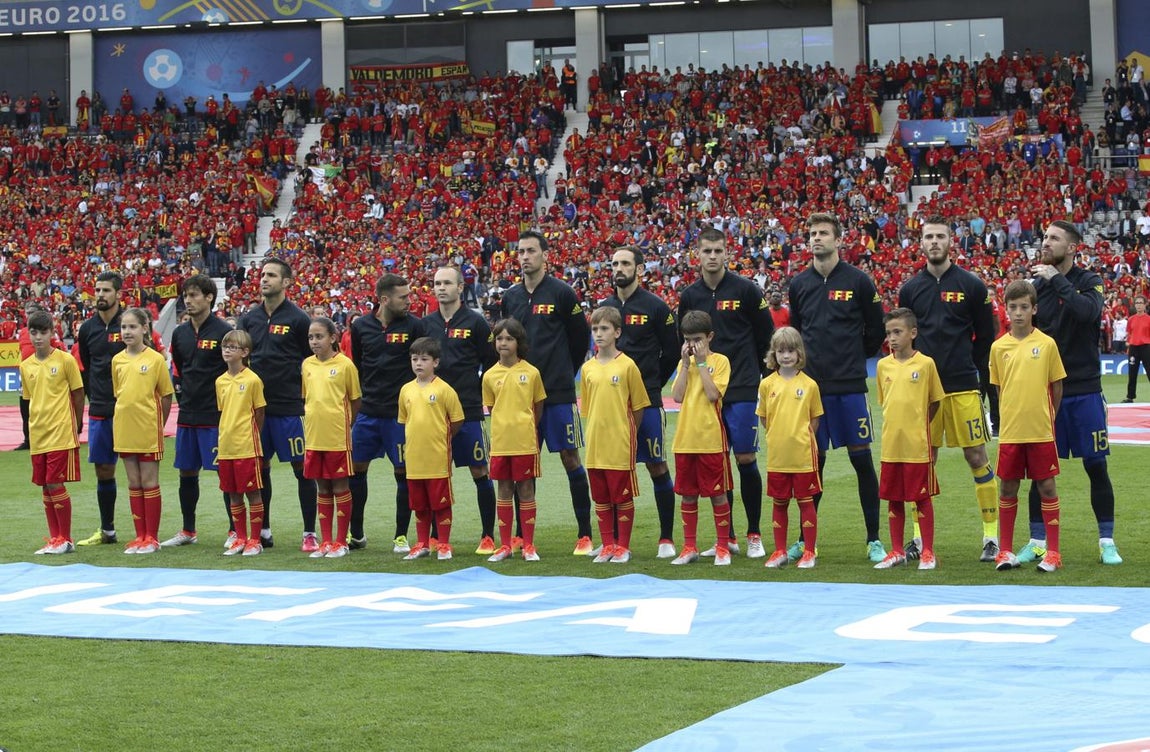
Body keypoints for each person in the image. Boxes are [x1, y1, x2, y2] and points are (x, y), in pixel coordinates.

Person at [897, 218, 1000, 562]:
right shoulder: (911, 289)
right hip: (923, 390)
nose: (935, 241)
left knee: (976, 456)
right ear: (921, 243)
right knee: (924, 461)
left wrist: (976, 375)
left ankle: (991, 537)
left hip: (962, 386)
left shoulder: (972, 285)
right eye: (929, 237)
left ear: (951, 241)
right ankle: (917, 539)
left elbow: (986, 338)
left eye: (941, 236)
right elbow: (903, 337)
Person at [788, 212, 886, 563]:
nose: (817, 238)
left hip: (850, 388)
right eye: (812, 233)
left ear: (838, 239)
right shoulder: (799, 284)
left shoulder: (859, 281)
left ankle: (874, 539)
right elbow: (797, 332)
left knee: (861, 462)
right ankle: (804, 540)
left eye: (824, 233)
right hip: (813, 389)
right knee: (815, 465)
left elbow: (875, 330)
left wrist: (852, 359)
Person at [1026, 221, 1122, 565]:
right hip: (1046, 392)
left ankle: (1106, 540)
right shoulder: (1036, 287)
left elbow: (1087, 312)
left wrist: (1056, 279)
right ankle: (1037, 541)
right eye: (1044, 237)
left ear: (1072, 247)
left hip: (1084, 390)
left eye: (1053, 238)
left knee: (1096, 465)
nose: (1045, 242)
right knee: (1039, 470)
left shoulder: (1089, 282)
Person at [677, 227, 773, 558]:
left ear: (727, 253)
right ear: (698, 255)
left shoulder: (746, 290)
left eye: (718, 250)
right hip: (706, 390)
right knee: (718, 461)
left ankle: (754, 533)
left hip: (743, 386)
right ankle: (727, 536)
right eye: (707, 251)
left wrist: (763, 380)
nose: (713, 256)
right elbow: (687, 340)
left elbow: (766, 337)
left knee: (745, 458)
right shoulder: (690, 295)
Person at [500, 230, 593, 554]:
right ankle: (520, 537)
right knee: (522, 463)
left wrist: (563, 371)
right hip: (520, 395)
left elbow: (580, 339)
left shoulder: (563, 293)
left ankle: (585, 534)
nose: (524, 256)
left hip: (557, 392)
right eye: (521, 251)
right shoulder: (510, 296)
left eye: (530, 251)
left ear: (544, 255)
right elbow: (505, 340)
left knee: (570, 457)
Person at [600, 246, 680, 558]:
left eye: (625, 263)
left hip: (646, 403)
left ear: (640, 269)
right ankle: (615, 542)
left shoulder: (656, 307)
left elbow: (671, 352)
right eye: (614, 263)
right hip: (613, 405)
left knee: (657, 466)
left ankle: (666, 538)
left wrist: (650, 385)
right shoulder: (605, 307)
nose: (618, 268)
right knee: (614, 470)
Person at [239, 258, 316, 552]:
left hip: (289, 408)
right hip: (257, 408)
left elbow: (308, 361)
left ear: (286, 282)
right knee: (260, 468)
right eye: (262, 274)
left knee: (302, 469)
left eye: (271, 275)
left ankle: (309, 532)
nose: (264, 279)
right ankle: (264, 530)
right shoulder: (249, 319)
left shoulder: (298, 319)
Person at [990, 280, 1066, 573]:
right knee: (1008, 486)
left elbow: (1056, 386)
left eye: (1024, 307)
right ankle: (1005, 551)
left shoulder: (1046, 344)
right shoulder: (998, 348)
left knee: (1046, 486)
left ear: (1034, 309)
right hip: (1011, 431)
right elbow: (999, 390)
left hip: (1040, 430)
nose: (1018, 312)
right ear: (1006, 310)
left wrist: (1049, 418)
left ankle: (1054, 553)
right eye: (1013, 307)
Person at [349, 273, 427, 553]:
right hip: (368, 413)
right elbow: (358, 363)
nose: (408, 300)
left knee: (403, 473)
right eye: (402, 296)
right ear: (384, 299)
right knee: (356, 471)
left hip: (400, 416)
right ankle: (356, 533)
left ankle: (400, 536)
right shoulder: (360, 327)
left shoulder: (415, 326)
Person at [424, 266, 498, 555]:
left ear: (459, 288)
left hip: (468, 410)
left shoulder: (476, 323)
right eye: (436, 283)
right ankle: (434, 536)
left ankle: (488, 535)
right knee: (434, 474)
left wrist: (474, 387)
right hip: (432, 412)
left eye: (447, 283)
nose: (441, 288)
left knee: (479, 470)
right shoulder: (426, 324)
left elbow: (490, 362)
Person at [164, 274, 232, 548]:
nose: (188, 301)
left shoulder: (223, 331)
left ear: (209, 298)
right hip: (187, 414)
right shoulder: (180, 333)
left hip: (215, 416)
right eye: (186, 296)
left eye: (194, 295)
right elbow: (179, 368)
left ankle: (234, 530)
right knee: (186, 472)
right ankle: (188, 530)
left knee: (224, 473)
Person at [873, 309, 944, 571]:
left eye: (897, 332)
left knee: (921, 498)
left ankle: (927, 551)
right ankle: (896, 551)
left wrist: (919, 425)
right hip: (891, 445)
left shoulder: (925, 364)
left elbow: (935, 402)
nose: (891, 338)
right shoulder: (883, 366)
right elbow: (885, 402)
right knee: (893, 498)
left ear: (912, 333)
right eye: (889, 333)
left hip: (917, 446)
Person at [580, 306, 650, 564]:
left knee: (621, 496)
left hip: (619, 441)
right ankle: (607, 544)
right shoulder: (587, 368)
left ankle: (623, 546)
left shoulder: (628, 365)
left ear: (617, 332)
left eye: (604, 329)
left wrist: (627, 431)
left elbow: (639, 406)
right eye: (595, 329)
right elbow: (588, 408)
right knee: (600, 496)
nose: (598, 333)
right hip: (596, 442)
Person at [669, 311, 734, 567]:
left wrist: (703, 362)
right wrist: (686, 365)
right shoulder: (685, 362)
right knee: (687, 495)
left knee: (718, 495)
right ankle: (689, 547)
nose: (692, 345)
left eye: (697, 339)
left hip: (710, 440)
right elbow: (677, 396)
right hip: (685, 439)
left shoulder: (720, 361)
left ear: (710, 337)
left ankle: (722, 547)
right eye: (687, 340)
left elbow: (711, 394)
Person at [111, 308, 174, 555]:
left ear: (145, 328)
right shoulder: (117, 360)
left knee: (149, 482)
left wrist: (159, 423)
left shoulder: (155, 359)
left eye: (132, 327)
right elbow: (119, 393)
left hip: (148, 428)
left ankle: (152, 537)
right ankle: (139, 536)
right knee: (134, 482)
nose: (127, 332)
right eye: (124, 327)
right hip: (124, 427)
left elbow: (167, 395)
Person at [757, 327, 822, 570]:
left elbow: (814, 419)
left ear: (799, 353)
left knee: (806, 503)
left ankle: (809, 552)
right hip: (777, 456)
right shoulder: (766, 384)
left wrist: (801, 438)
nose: (786, 356)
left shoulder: (809, 385)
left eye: (791, 351)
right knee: (779, 502)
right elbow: (764, 417)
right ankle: (780, 551)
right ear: (774, 353)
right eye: (781, 351)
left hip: (803, 456)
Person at [21, 309, 84, 554]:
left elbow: (78, 393)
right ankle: (55, 538)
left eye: (43, 332)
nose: (38, 337)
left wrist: (77, 424)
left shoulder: (65, 360)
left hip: (60, 430)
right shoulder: (26, 366)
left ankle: (65, 539)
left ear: (52, 333)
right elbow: (28, 400)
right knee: (44, 486)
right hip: (38, 434)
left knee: (54, 483)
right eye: (33, 332)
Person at [482, 318, 546, 562]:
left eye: (509, 338)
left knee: (526, 489)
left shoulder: (531, 373)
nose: (503, 343)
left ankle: (528, 545)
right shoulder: (489, 375)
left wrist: (525, 426)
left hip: (524, 442)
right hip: (500, 442)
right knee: (504, 489)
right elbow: (491, 406)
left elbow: (538, 407)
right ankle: (506, 545)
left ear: (519, 342)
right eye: (499, 338)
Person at [397, 337, 464, 560]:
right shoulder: (406, 390)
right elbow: (405, 421)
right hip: (414, 458)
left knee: (441, 503)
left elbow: (456, 421)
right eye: (415, 359)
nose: (418, 363)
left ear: (435, 362)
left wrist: (441, 439)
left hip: (437, 457)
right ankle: (422, 543)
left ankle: (443, 544)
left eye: (424, 359)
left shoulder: (445, 390)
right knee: (420, 504)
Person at [301, 317, 362, 559]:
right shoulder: (306, 365)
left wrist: (346, 425)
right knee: (322, 487)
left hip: (337, 437)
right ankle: (325, 541)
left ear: (333, 338)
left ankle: (340, 542)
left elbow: (355, 400)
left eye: (319, 336)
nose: (314, 341)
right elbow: (307, 398)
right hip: (314, 437)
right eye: (311, 337)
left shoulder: (346, 365)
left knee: (340, 486)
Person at [76, 271, 126, 546]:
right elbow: (86, 363)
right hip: (100, 408)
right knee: (104, 470)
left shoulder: (130, 323)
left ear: (118, 294)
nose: (100, 295)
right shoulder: (87, 329)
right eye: (97, 290)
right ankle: (107, 530)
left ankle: (146, 534)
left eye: (106, 290)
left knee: (137, 470)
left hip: (129, 409)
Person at [216, 329, 268, 556]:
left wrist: (251, 436)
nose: (227, 350)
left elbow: (259, 412)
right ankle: (240, 538)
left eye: (233, 347)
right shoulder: (220, 381)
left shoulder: (253, 379)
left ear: (245, 352)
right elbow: (223, 412)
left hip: (247, 446)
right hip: (226, 447)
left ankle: (255, 540)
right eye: (225, 346)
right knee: (232, 493)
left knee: (253, 492)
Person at [1123, 295, 1150, 402]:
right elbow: (1129, 333)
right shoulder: (1131, 319)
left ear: (1145, 305)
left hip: (1146, 348)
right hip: (1133, 348)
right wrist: (1128, 342)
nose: (1138, 305)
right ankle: (1130, 397)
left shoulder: (1148, 319)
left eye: (1140, 303)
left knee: (1149, 372)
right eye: (1137, 303)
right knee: (1132, 373)